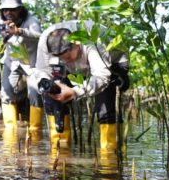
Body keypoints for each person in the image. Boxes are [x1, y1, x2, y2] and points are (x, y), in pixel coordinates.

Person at [32, 20, 130, 151]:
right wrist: (46, 82)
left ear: (77, 43)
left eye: (68, 58)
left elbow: (101, 76)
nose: (65, 61)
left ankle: (110, 155)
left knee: (105, 107)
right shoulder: (46, 41)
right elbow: (42, 69)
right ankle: (60, 152)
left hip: (112, 63)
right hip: (79, 67)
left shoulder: (92, 41)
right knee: (53, 100)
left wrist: (75, 92)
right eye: (62, 59)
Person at [0, 0, 42, 131]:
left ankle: (35, 131)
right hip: (11, 62)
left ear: (20, 9)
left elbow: (39, 36)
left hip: (31, 63)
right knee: (6, 93)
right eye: (5, 10)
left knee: (35, 94)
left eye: (12, 9)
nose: (8, 13)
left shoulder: (31, 20)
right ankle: (10, 131)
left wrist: (19, 31)